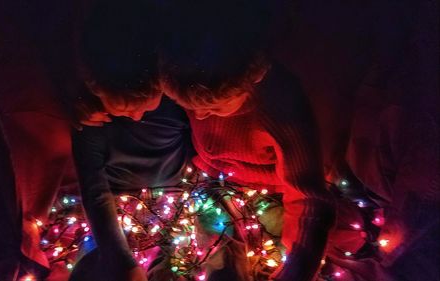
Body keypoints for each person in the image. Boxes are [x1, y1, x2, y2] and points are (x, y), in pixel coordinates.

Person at [159, 1, 336, 280]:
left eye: (215, 108)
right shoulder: (188, 74)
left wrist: (299, 269)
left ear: (254, 78)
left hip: (276, 196)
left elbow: (308, 199)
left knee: (296, 256)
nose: (201, 117)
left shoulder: (282, 107)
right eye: (191, 109)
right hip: (215, 186)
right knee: (213, 261)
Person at [67, 1, 192, 281]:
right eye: (123, 109)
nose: (136, 118)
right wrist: (121, 260)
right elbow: (94, 189)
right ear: (93, 86)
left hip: (177, 202)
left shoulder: (178, 100)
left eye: (145, 107)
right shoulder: (91, 119)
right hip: (114, 207)